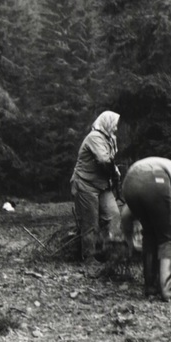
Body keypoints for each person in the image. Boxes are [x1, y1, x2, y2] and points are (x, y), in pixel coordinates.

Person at [120, 157, 171, 301]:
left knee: (150, 233)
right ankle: (166, 289)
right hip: (155, 179)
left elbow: (126, 215)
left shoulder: (170, 169)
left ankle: (150, 287)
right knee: (166, 238)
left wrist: (129, 241)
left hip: (129, 181)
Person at [70, 111, 121, 263]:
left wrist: (116, 175)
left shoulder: (109, 138)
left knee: (113, 215)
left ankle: (110, 252)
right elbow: (104, 160)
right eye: (114, 125)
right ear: (106, 123)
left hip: (102, 185)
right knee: (90, 222)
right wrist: (114, 173)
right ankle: (89, 256)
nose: (116, 128)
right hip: (86, 184)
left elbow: (109, 160)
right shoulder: (94, 138)